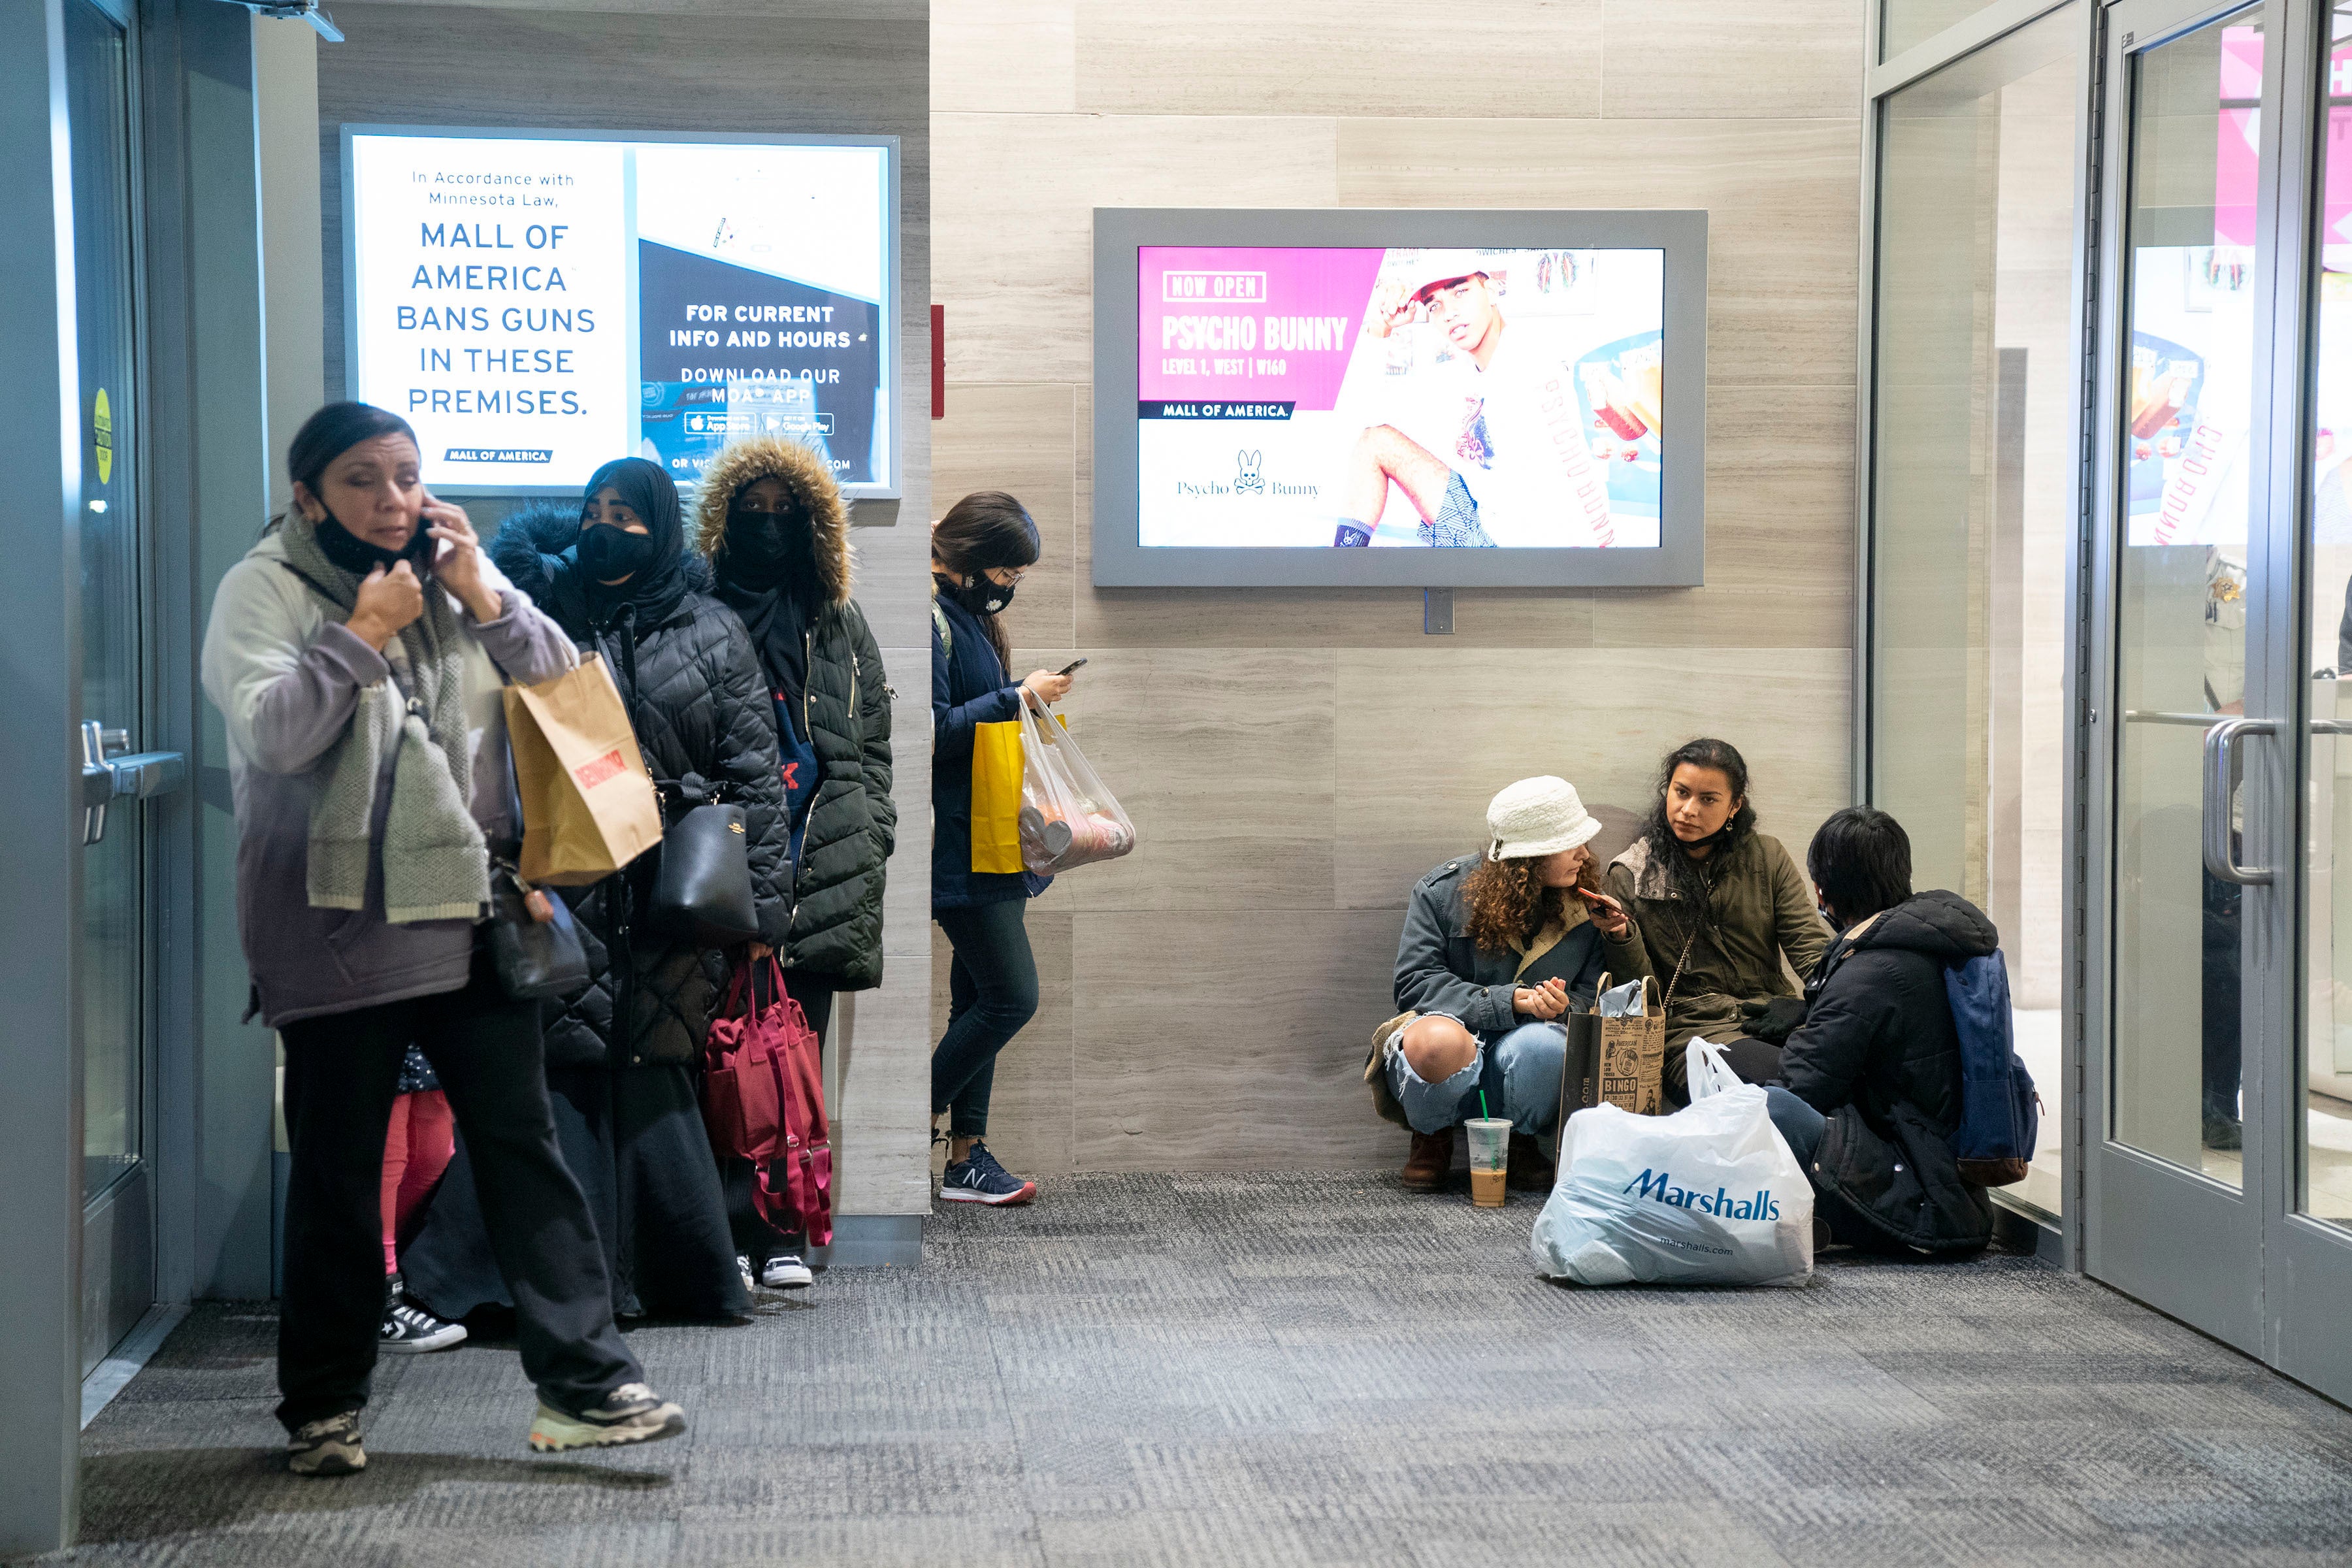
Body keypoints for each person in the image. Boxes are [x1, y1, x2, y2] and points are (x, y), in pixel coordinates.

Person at [201, 402, 684, 1477]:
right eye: (363, 480)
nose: (391, 500)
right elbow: (275, 734)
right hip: (334, 926)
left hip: (472, 912)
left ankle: (588, 1386)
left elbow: (569, 698)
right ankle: (322, 1407)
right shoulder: (264, 590)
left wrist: (486, 600)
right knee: (336, 1170)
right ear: (307, 495)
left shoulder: (451, 578)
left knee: (522, 1147)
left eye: (407, 476)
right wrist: (363, 636)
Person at [404, 459, 787, 1322]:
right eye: (594, 508)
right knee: (554, 1079)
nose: (606, 524)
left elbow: (756, 778)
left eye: (626, 512)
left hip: (673, 890)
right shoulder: (537, 619)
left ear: (662, 525)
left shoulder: (714, 630)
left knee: (654, 1071)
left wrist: (762, 916)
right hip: (558, 882)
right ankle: (514, 1285)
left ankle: (670, 1277)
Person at [694, 434, 896, 1282]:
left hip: (821, 857)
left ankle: (784, 1234)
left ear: (814, 525)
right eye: (754, 510)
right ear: (724, 518)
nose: (769, 527)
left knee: (791, 1056)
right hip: (717, 854)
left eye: (787, 512)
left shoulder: (837, 619)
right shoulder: (698, 609)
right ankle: (722, 1234)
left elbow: (875, 738)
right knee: (716, 1057)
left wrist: (870, 822)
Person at [1369, 777, 1652, 1192]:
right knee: (1436, 1040)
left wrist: (1560, 1006)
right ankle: (1433, 1134)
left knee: (1546, 1046)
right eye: (1568, 843)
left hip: (1524, 1057)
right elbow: (1415, 984)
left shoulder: (1586, 906)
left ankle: (1519, 1139)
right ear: (1530, 857)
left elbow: (1600, 997)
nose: (1584, 854)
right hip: (1449, 1054)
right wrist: (1511, 1001)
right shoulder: (1443, 892)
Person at [1759, 806, 1998, 1255]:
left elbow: (1801, 1086)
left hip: (1921, 1201)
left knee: (1771, 1107)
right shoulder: (1928, 942)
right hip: (1949, 1185)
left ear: (1823, 889)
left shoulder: (1869, 971)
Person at [930, 491, 1064, 1205]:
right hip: (958, 840)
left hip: (987, 834)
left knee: (977, 998)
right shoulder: (927, 619)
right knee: (1011, 997)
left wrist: (1024, 695)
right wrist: (1013, 699)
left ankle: (967, 1159)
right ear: (971, 559)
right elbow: (927, 732)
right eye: (1006, 572)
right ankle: (905, 1121)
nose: (1008, 586)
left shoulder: (963, 619)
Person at [1331, 252, 1620, 549]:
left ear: (1492, 291)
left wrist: (1595, 576)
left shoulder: (1533, 363)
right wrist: (1381, 329)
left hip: (1518, 560)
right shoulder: (1459, 374)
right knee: (1375, 442)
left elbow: (1578, 480)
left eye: (1460, 292)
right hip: (1483, 523)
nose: (1449, 313)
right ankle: (1339, 580)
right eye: (1435, 305)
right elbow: (1364, 428)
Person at [1604, 738, 1832, 1102]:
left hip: (1771, 1018)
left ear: (1734, 806)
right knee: (1792, 1083)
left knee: (1860, 1068)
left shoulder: (1766, 856)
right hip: (1693, 1034)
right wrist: (1620, 936)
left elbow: (1810, 948)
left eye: (1708, 799)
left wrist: (1811, 1002)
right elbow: (1638, 996)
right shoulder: (1632, 872)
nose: (1688, 810)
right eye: (1681, 792)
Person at [378, 1044, 462, 1353]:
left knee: (433, 1153)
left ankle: (364, 1276)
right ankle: (379, 1298)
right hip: (372, 1008)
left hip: (429, 1013)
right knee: (388, 1153)